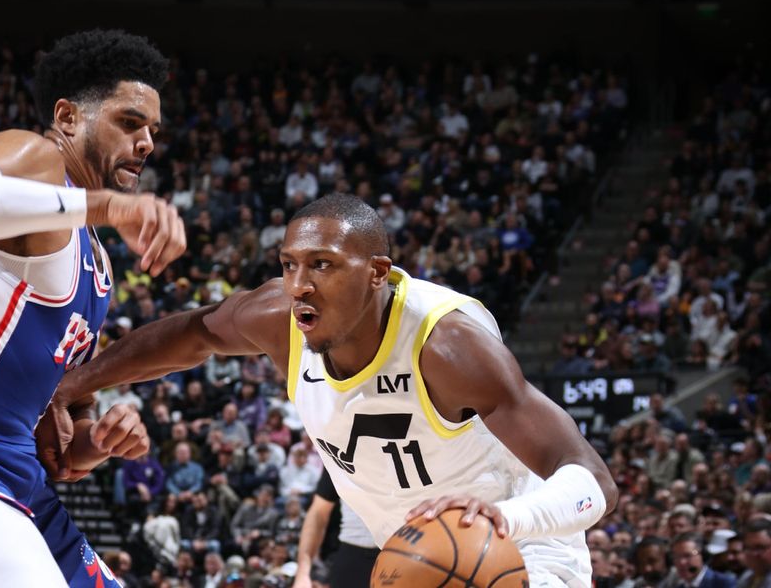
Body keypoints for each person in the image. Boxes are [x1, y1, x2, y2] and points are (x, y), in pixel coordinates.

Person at [51, 193, 618, 586]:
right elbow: (191, 334)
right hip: (410, 556)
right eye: (290, 265)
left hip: (519, 550)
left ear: (377, 272)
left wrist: (506, 520)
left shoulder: (447, 345)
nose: (300, 286)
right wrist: (70, 385)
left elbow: (594, 479)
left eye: (323, 265)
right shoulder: (281, 317)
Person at [0, 29, 185, 587]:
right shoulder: (34, 158)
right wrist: (108, 205)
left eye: (153, 132)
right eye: (129, 122)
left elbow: (61, 447)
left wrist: (102, 442)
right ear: (67, 117)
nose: (146, 144)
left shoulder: (100, 268)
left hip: (21, 484)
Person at [293, 468, 379, 588]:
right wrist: (303, 573)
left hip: (403, 549)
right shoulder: (336, 452)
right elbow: (318, 512)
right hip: (352, 552)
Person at [670, 532, 735, 588]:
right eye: (676, 557)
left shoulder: (723, 583)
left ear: (703, 555)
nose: (681, 562)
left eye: (688, 555)